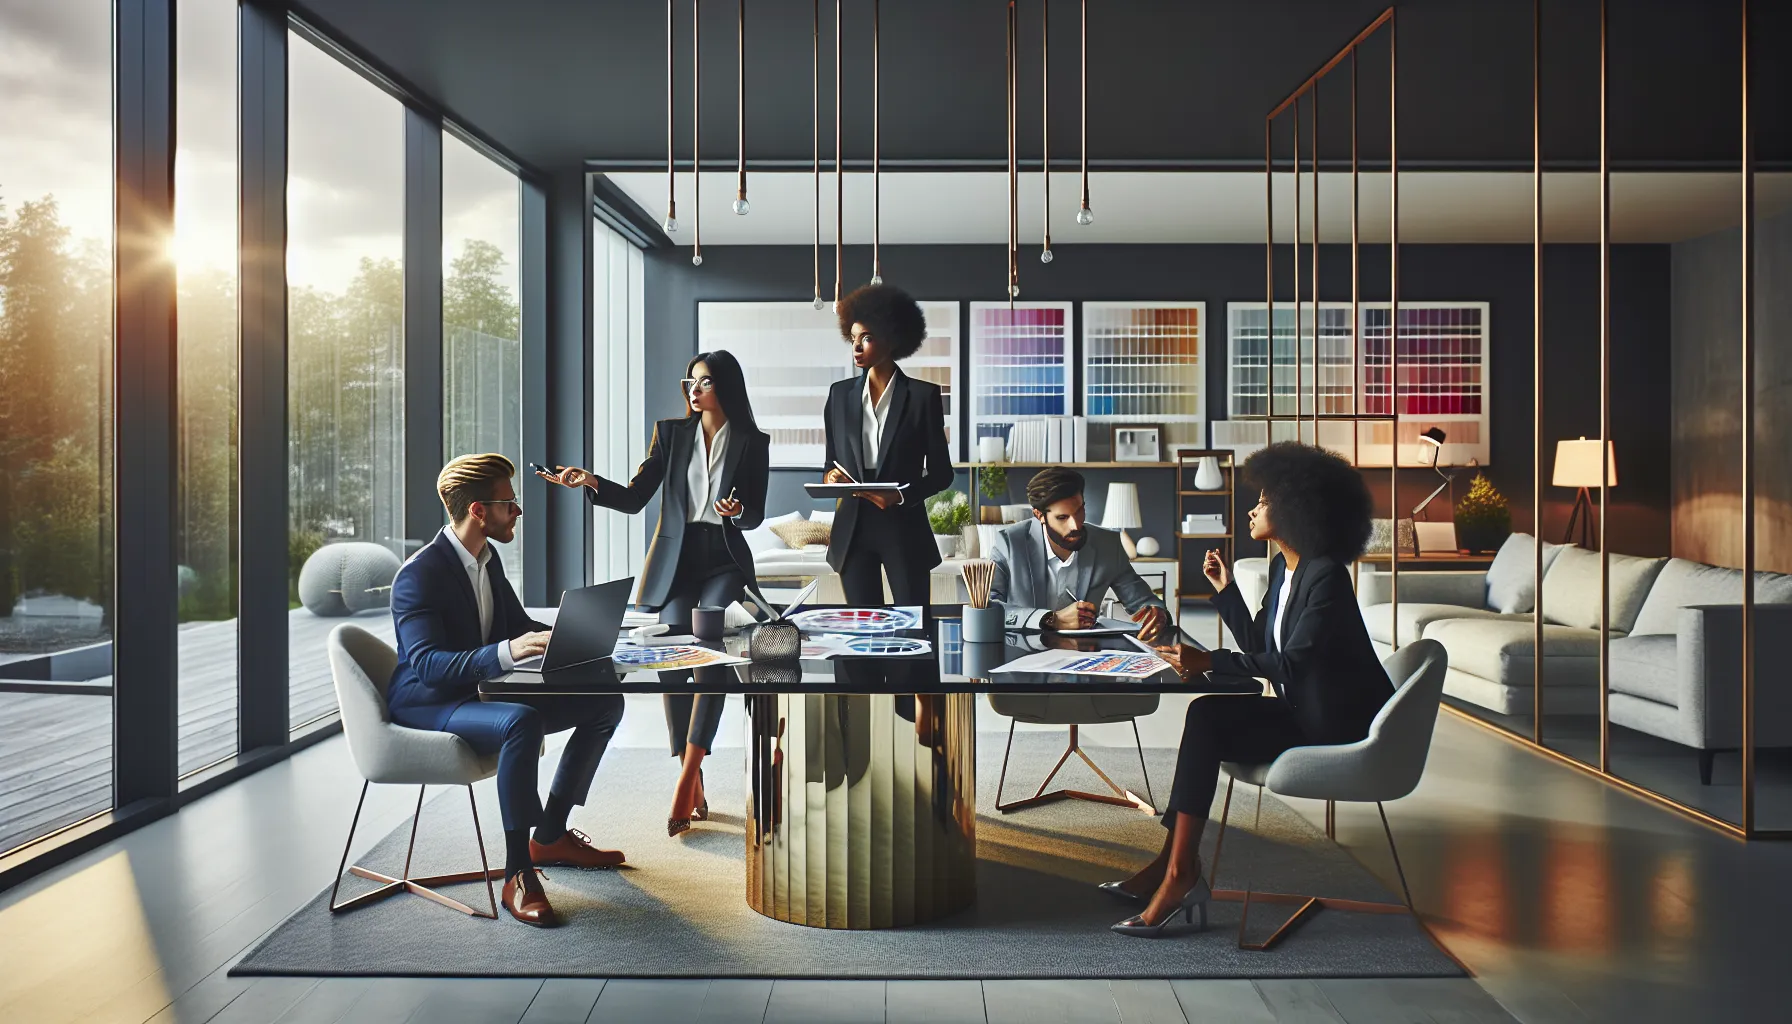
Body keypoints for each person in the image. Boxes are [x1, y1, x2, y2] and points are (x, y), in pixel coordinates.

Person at [1105, 442, 1393, 937]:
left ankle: (1177, 873)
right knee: (1205, 716)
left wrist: (1208, 660)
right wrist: (1225, 590)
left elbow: (1291, 662)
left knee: (1208, 718)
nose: (1253, 510)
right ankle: (1174, 866)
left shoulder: (1326, 577)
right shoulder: (1284, 568)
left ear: (1298, 508)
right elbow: (1261, 643)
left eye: (1263, 501)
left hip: (1335, 727)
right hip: (1302, 711)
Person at [386, 454, 626, 928]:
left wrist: (579, 637)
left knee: (604, 703)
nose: (517, 511)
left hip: (479, 691)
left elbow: (518, 626)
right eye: (509, 503)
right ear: (478, 511)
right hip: (432, 703)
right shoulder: (418, 575)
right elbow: (429, 666)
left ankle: (550, 836)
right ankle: (519, 871)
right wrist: (510, 651)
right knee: (521, 722)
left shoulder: (486, 559)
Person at [539, 350, 770, 838]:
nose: (694, 390)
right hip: (677, 561)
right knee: (672, 656)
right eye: (690, 382)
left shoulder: (752, 440)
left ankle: (686, 779)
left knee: (710, 648)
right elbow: (634, 496)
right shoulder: (671, 433)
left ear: (725, 386)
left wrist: (738, 511)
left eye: (705, 382)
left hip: (725, 557)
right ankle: (691, 768)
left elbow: (755, 514)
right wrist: (591, 481)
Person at [820, 283, 956, 605]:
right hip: (852, 529)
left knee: (914, 627)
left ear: (892, 339)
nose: (856, 347)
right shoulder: (839, 395)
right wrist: (830, 478)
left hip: (904, 526)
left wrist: (900, 495)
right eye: (853, 338)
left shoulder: (922, 397)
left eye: (866, 338)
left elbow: (942, 474)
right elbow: (830, 462)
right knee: (862, 628)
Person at [988, 466, 1170, 642]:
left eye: (1079, 511)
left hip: (1085, 653)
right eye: (1062, 517)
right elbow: (988, 608)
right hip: (1024, 653)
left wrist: (1158, 615)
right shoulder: (1009, 544)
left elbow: (1144, 602)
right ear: (1039, 515)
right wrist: (1050, 619)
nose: (1075, 525)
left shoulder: (1107, 544)